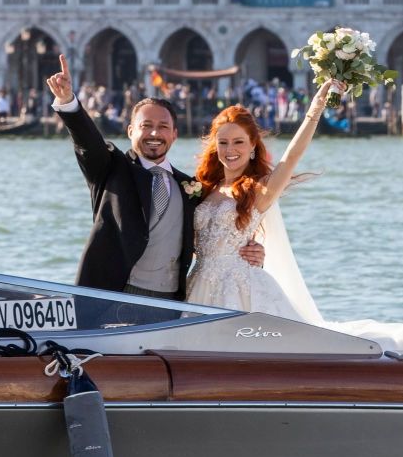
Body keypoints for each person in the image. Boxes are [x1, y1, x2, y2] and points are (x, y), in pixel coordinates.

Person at [48, 53, 261, 299]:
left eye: (162, 127)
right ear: (130, 131)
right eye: (145, 125)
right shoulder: (110, 168)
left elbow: (216, 231)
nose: (154, 133)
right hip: (115, 296)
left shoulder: (190, 186)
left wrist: (251, 250)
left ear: (174, 135)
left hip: (171, 301)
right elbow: (88, 142)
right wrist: (68, 103)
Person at [183, 81, 343, 321]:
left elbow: (290, 158)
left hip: (238, 286)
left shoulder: (259, 190)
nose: (230, 150)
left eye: (239, 142)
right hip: (197, 284)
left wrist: (316, 107)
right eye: (223, 142)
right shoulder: (203, 188)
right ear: (215, 147)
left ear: (252, 147)